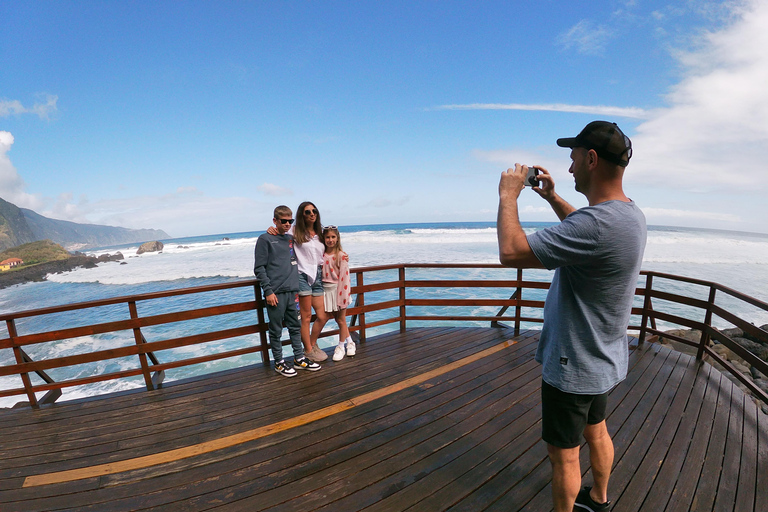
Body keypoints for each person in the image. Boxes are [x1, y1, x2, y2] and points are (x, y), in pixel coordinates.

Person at [496, 121, 646, 512]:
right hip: (604, 357)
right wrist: (552, 199)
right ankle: (598, 498)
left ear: (591, 159)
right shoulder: (630, 215)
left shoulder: (595, 225)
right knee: (597, 431)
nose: (569, 168)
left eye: (574, 158)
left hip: (572, 362)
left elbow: (512, 252)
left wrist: (508, 196)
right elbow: (585, 230)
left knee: (564, 455)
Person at [254, 205, 322, 377]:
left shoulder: (290, 238)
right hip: (275, 293)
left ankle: (299, 358)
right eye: (283, 221)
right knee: (276, 329)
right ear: (275, 221)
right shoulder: (265, 239)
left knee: (295, 326)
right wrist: (268, 291)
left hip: (293, 291)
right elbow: (259, 268)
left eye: (289, 221)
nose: (286, 224)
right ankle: (278, 362)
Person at [267, 201, 331, 362]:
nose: (312, 214)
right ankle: (308, 351)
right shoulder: (295, 231)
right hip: (301, 275)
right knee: (306, 316)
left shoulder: (320, 233)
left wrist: (342, 255)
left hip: (317, 275)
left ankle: (311, 343)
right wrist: (270, 230)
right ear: (301, 215)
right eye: (308, 212)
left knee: (323, 316)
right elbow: (280, 235)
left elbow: (331, 247)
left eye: (314, 211)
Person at [320, 226, 355, 361]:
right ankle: (350, 342)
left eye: (333, 237)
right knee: (337, 319)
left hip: (339, 290)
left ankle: (341, 346)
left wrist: (343, 295)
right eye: (327, 237)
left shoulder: (341, 255)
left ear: (337, 238)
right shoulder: (321, 254)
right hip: (326, 290)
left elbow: (344, 278)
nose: (330, 240)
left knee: (341, 319)